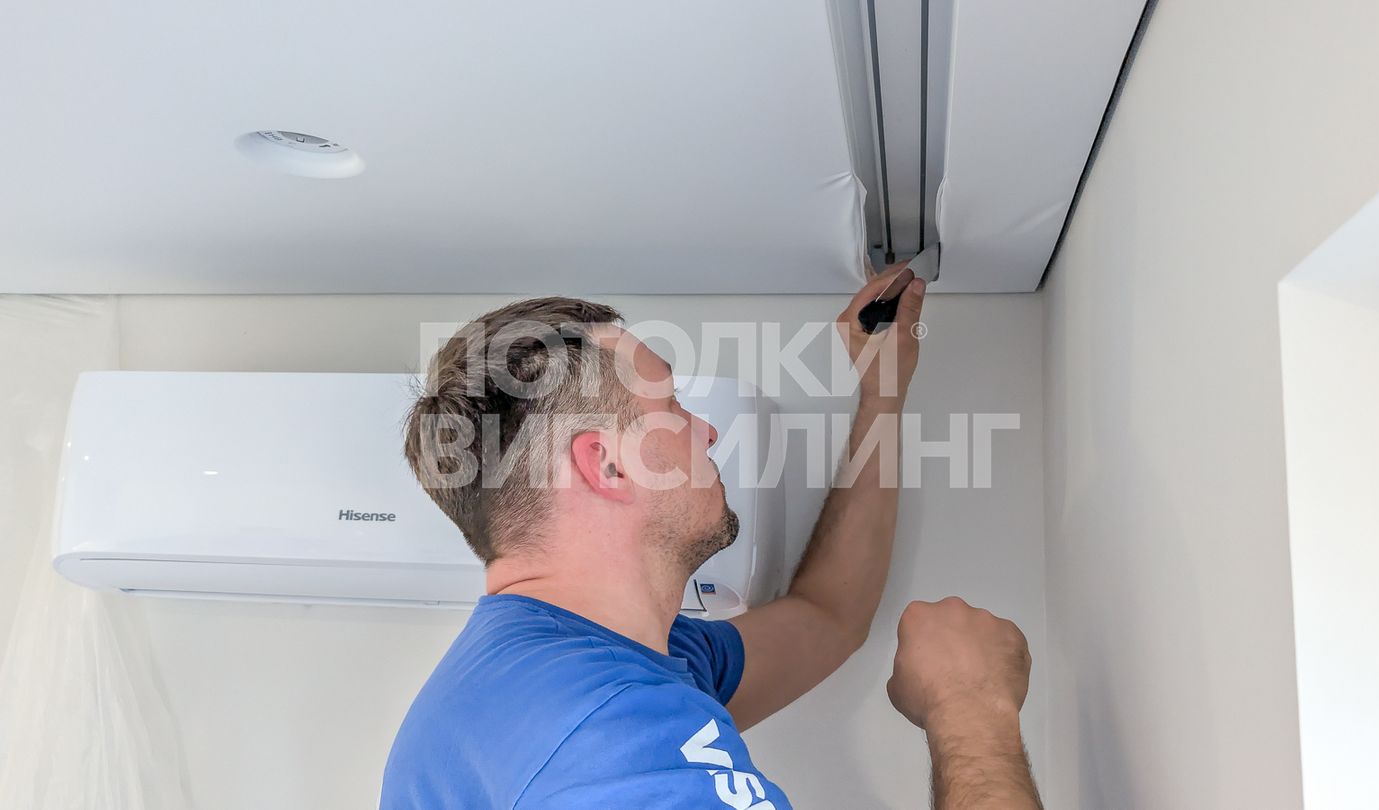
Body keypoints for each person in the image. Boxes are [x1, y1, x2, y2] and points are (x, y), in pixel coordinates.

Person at [379, 266, 1040, 808]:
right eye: (672, 408)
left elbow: (828, 616)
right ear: (607, 466)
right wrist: (971, 707)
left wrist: (881, 393)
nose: (707, 431)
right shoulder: (607, 729)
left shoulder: (569, 664)